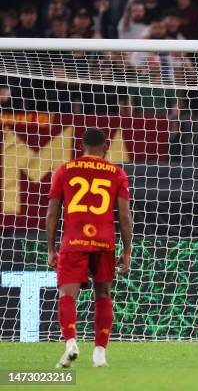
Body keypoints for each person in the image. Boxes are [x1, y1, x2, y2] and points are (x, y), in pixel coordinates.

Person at [47, 128, 132, 368]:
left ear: (81, 147)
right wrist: (127, 250)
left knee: (67, 295)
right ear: (106, 148)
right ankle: (100, 353)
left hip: (74, 241)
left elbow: (52, 212)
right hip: (104, 241)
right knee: (103, 294)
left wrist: (51, 248)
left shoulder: (65, 170)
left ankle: (71, 343)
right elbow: (124, 216)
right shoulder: (117, 173)